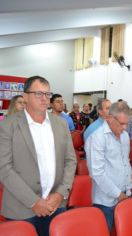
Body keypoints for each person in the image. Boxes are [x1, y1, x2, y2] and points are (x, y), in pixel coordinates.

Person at [0, 76, 77, 236]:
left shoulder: (61, 124)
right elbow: (4, 168)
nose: (44, 99)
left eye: (47, 94)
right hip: (22, 208)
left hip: (56, 205)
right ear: (25, 96)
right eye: (38, 94)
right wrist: (34, 201)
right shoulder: (7, 125)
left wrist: (60, 193)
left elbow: (70, 161)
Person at [85, 102, 132, 231]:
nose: (124, 128)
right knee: (105, 231)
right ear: (110, 118)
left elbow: (125, 161)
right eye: (121, 123)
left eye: (127, 123)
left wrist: (129, 184)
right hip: (105, 200)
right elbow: (97, 173)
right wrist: (118, 194)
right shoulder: (96, 137)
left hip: (125, 193)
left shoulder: (124, 136)